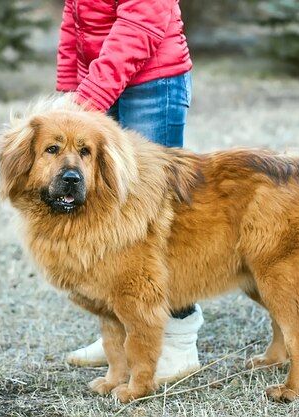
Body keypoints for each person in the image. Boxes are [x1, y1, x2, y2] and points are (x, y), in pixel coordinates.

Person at [55, 0, 204, 383]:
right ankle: (119, 336)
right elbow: (75, 23)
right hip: (100, 83)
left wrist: (86, 100)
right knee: (108, 217)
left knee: (161, 220)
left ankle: (179, 340)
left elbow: (142, 21)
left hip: (151, 83)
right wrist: (67, 94)